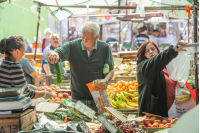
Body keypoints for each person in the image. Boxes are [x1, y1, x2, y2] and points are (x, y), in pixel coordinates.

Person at [46, 22, 114, 112]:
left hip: (99, 97)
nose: (84, 41)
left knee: (99, 124)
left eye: (88, 39)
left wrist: (106, 80)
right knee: (78, 124)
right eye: (83, 37)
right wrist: (53, 54)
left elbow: (111, 70)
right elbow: (51, 53)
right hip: (78, 98)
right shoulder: (72, 46)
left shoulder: (105, 48)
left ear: (97, 37)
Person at [136, 40, 187, 117]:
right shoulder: (143, 67)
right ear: (143, 55)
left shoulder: (165, 67)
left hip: (173, 112)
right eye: (147, 51)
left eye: (153, 49)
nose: (150, 52)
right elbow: (155, 62)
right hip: (155, 116)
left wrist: (178, 83)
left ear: (157, 50)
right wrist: (172, 50)